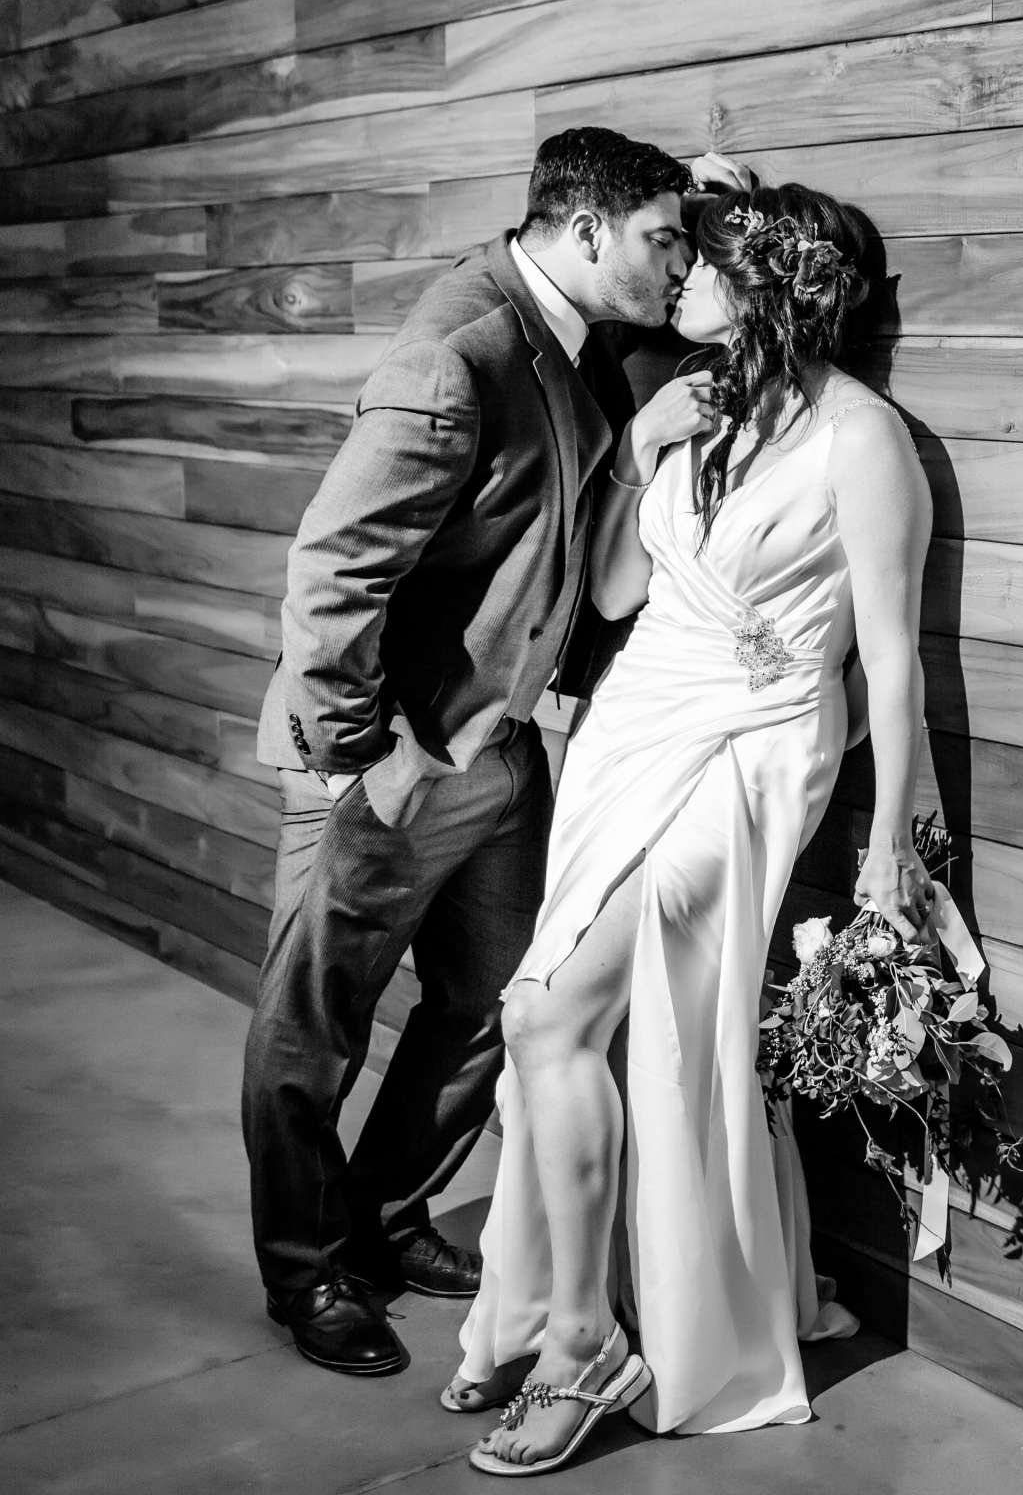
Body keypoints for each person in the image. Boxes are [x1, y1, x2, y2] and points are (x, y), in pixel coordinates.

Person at [241, 127, 745, 1377]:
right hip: (393, 761)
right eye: (660, 238)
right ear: (586, 236)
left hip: (503, 753)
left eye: (686, 241)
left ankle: (384, 1218)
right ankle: (306, 1275)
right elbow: (333, 569)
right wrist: (369, 758)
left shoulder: (582, 333)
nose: (677, 262)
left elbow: (680, 348)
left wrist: (720, 211)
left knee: (491, 1008)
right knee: (315, 1030)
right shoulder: (457, 353)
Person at [447, 182, 933, 1475]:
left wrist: (890, 847)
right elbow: (616, 585)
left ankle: (576, 1346)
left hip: (755, 747)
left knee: (549, 1015)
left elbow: (890, 665)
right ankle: (595, 1312)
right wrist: (641, 447)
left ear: (766, 283)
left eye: (700, 260)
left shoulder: (862, 437)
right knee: (581, 1024)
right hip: (635, 727)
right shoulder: (698, 408)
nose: (674, 280)